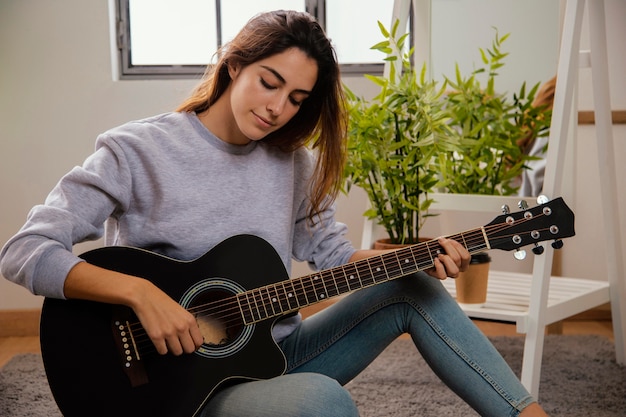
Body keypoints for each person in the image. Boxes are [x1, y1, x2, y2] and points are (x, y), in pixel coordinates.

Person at [0, 10, 549, 417]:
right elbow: (24, 251)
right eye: (270, 83)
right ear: (235, 64)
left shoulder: (293, 162)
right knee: (322, 403)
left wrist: (410, 259)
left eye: (297, 99)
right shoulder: (136, 150)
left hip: (275, 352)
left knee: (412, 291)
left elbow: (333, 254)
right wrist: (143, 295)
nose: (277, 108)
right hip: (182, 385)